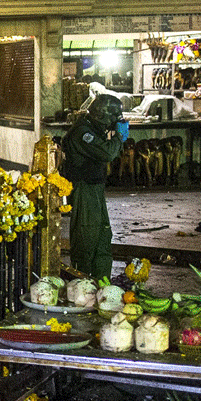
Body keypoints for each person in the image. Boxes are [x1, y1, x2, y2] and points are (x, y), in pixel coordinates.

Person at [60, 93, 126, 279]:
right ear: (103, 115)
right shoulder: (83, 132)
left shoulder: (93, 129)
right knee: (86, 235)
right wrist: (118, 137)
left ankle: (101, 281)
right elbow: (106, 153)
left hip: (95, 188)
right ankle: (81, 281)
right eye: (113, 118)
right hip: (84, 189)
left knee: (103, 235)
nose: (115, 122)